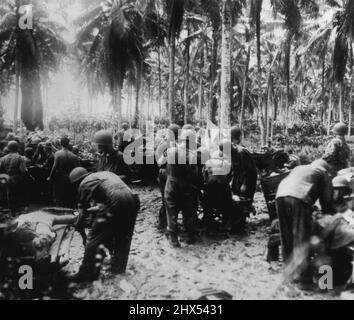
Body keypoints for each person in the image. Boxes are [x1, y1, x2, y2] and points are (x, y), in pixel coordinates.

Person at [68, 168, 140, 282]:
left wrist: (78, 224)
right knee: (123, 236)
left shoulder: (84, 183)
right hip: (133, 199)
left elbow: (83, 210)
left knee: (94, 238)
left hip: (115, 201)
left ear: (77, 181)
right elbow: (108, 197)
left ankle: (86, 273)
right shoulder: (104, 174)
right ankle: (118, 269)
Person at [276, 157, 335, 283]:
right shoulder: (323, 173)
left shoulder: (300, 168)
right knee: (300, 236)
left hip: (280, 195)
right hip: (299, 197)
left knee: (286, 235)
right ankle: (302, 276)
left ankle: (288, 271)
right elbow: (327, 201)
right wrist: (329, 215)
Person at [164, 129, 200, 247]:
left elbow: (162, 165)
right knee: (188, 211)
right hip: (187, 186)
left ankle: (173, 238)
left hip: (171, 184)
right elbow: (195, 174)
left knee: (171, 211)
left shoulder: (170, 150)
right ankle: (190, 235)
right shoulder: (193, 155)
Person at [202, 141, 232, 232]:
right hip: (223, 182)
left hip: (211, 182)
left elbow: (204, 175)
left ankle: (208, 222)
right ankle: (225, 222)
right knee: (227, 202)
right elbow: (229, 176)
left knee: (207, 202)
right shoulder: (227, 162)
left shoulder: (209, 162)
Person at [156, 124, 180, 231]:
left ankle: (165, 223)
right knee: (166, 198)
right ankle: (163, 223)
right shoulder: (168, 144)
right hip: (166, 170)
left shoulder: (169, 143)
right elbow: (161, 160)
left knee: (168, 198)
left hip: (169, 171)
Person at [48, 137, 80, 208]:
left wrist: (50, 177)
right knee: (68, 197)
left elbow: (54, 167)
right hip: (70, 178)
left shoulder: (58, 154)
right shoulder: (74, 156)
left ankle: (60, 209)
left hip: (60, 178)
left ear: (60, 143)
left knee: (59, 196)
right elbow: (78, 169)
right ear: (68, 144)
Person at [230, 126, 258, 202]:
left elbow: (249, 171)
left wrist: (245, 185)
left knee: (244, 202)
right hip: (238, 179)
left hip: (246, 180)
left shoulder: (241, 152)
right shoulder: (234, 150)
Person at [0, 141, 28, 215]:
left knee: (10, 195)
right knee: (18, 195)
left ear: (8, 148)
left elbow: (1, 170)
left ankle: (12, 212)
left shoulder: (3, 158)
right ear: (17, 148)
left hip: (8, 179)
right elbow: (23, 170)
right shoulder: (20, 158)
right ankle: (18, 212)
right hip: (18, 179)